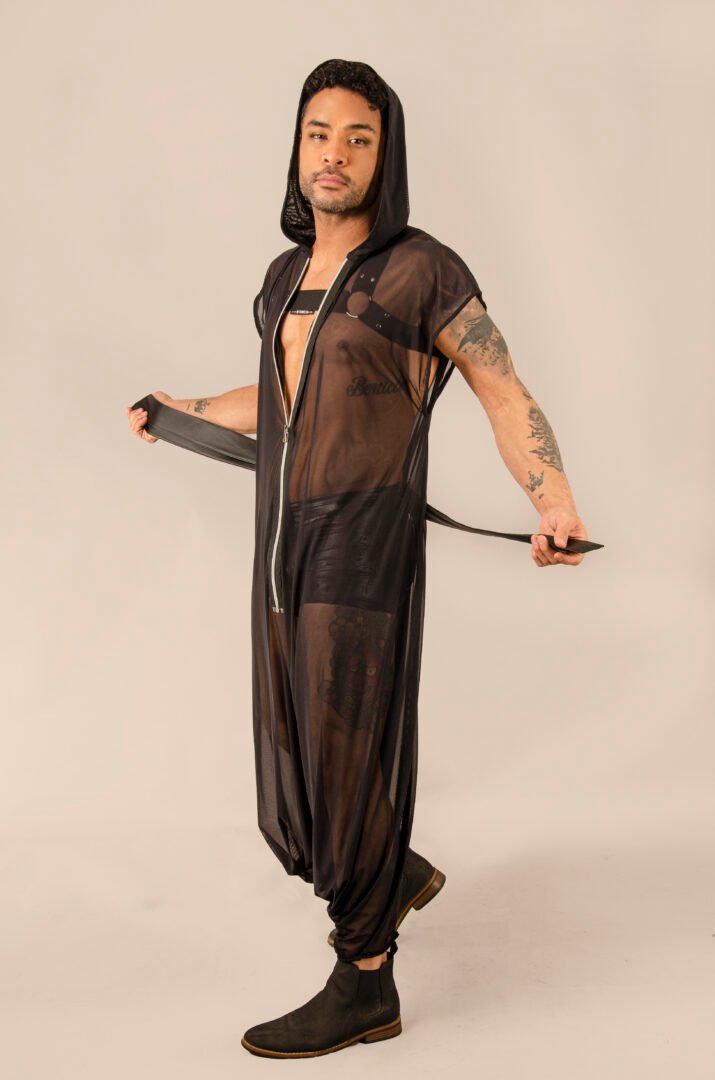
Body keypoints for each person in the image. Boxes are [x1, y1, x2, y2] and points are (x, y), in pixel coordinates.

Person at [127, 59, 597, 1058]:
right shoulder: (283, 277)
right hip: (283, 542)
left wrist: (552, 500)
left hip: (362, 541)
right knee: (297, 748)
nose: (333, 154)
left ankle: (366, 977)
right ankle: (393, 868)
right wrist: (181, 409)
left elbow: (501, 388)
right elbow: (282, 397)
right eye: (318, 133)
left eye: (358, 137)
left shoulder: (422, 270)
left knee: (343, 747)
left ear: (387, 156)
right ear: (296, 148)